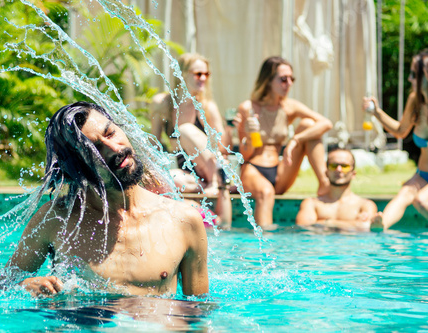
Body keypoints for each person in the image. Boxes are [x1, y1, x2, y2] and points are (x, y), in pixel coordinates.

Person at [0, 102, 209, 297]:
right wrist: (27, 285)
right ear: (77, 168)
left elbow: (200, 312)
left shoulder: (183, 221)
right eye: (95, 149)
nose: (116, 149)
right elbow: (0, 289)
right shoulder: (56, 220)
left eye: (111, 133)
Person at [364, 49, 428, 230]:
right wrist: (376, 112)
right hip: (423, 175)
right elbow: (400, 131)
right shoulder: (415, 101)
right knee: (403, 195)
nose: (410, 79)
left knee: (422, 200)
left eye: (413, 75)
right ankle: (381, 226)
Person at [234, 56, 332, 227]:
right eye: (283, 79)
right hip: (253, 169)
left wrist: (296, 139)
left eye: (291, 79)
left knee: (308, 125)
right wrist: (249, 135)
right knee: (265, 192)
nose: (289, 83)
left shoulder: (289, 106)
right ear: (268, 81)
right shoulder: (248, 108)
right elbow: (245, 154)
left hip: (280, 170)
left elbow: (326, 123)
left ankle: (324, 184)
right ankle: (266, 248)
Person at [150, 53, 231, 194]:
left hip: (211, 166)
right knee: (167, 178)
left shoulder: (207, 107)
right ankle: (205, 187)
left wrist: (208, 127)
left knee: (186, 130)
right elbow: (153, 143)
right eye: (198, 74)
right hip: (188, 173)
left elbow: (223, 147)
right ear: (182, 74)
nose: (204, 78)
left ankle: (215, 182)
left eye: (207, 74)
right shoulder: (163, 104)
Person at [295, 148, 378, 232]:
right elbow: (303, 227)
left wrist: (326, 222)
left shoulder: (365, 205)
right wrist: (354, 224)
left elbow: (368, 227)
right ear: (326, 172)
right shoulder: (311, 204)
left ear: (353, 174)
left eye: (344, 166)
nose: (339, 169)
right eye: (333, 166)